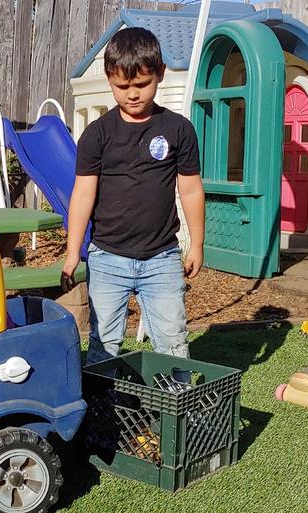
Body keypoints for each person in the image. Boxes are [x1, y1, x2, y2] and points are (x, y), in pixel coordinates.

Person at [61, 27, 205, 366]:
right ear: (110, 79)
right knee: (104, 343)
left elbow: (190, 188)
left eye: (142, 84)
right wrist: (72, 252)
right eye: (122, 86)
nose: (133, 94)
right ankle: (103, 414)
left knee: (172, 341)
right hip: (108, 258)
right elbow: (83, 194)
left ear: (160, 75)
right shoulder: (97, 135)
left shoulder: (178, 130)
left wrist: (197, 243)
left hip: (162, 258)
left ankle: (174, 413)